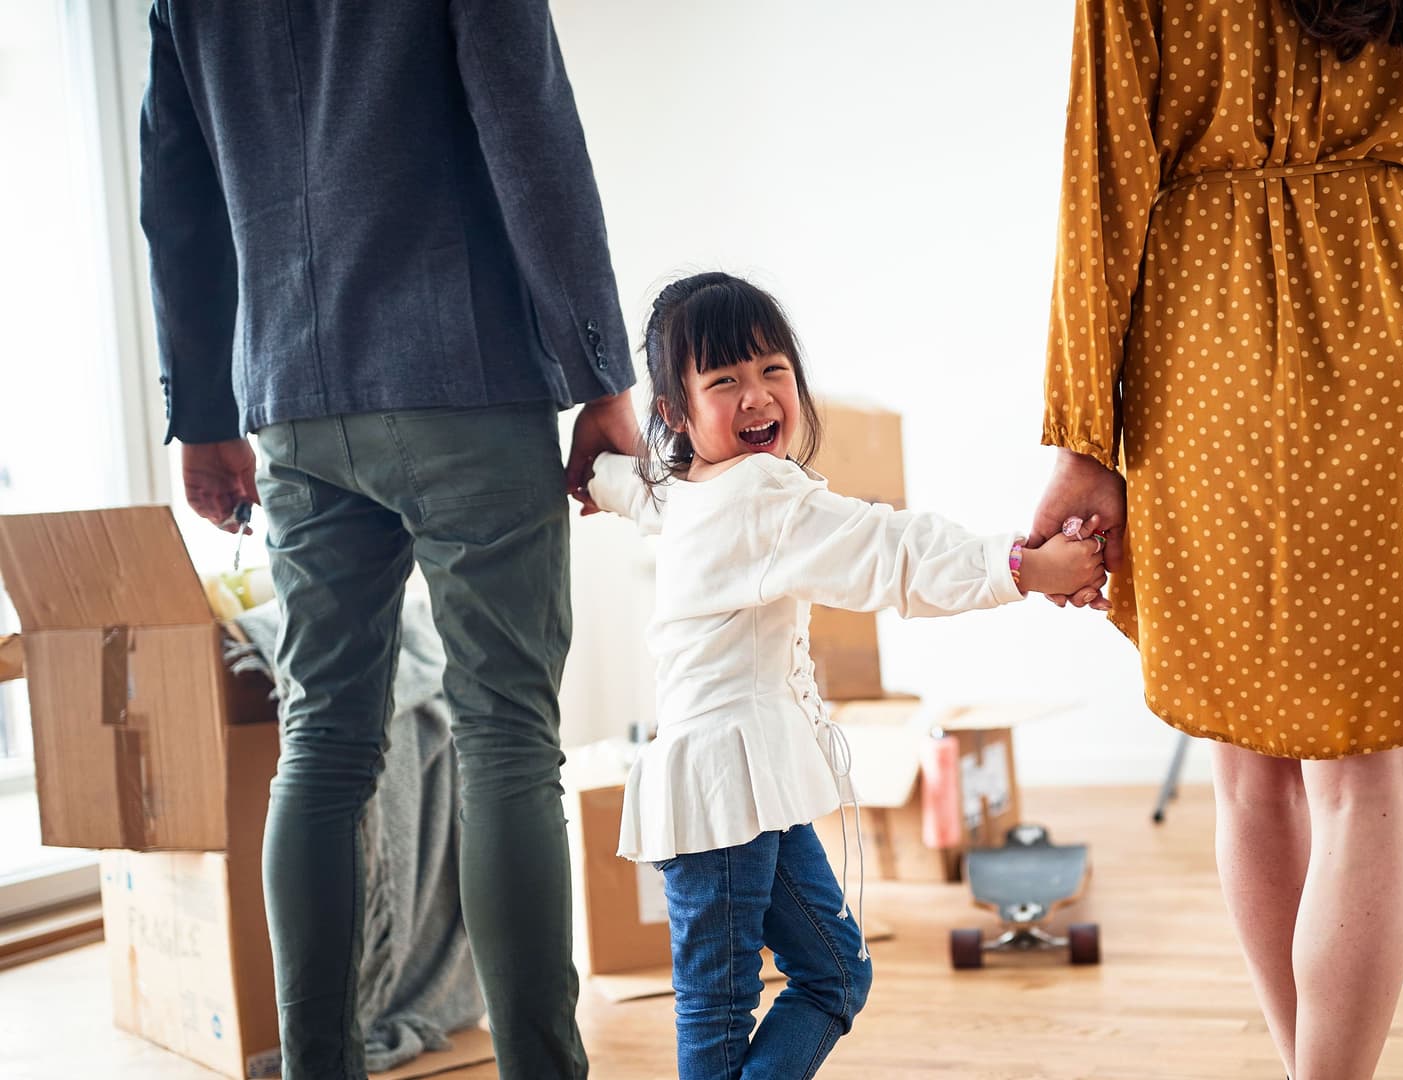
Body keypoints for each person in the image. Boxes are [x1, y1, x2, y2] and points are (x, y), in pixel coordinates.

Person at [1029, 1, 1403, 1076]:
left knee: (1246, 768)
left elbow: (1103, 174)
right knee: (1375, 779)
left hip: (1209, 347)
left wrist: (1083, 440)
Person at [139, 2, 636, 1076]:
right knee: (505, 732)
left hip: (290, 397)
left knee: (321, 742)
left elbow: (175, 197)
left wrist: (207, 413)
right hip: (467, 375)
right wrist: (601, 373)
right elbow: (533, 134)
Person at [585, 271, 1108, 1080]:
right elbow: (891, 552)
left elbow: (631, 487)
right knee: (728, 1012)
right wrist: (1024, 569)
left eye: (772, 370)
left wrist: (592, 474)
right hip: (726, 794)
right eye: (724, 381)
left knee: (834, 972)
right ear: (677, 415)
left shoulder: (686, 491)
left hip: (753, 788)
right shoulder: (760, 493)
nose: (757, 396)